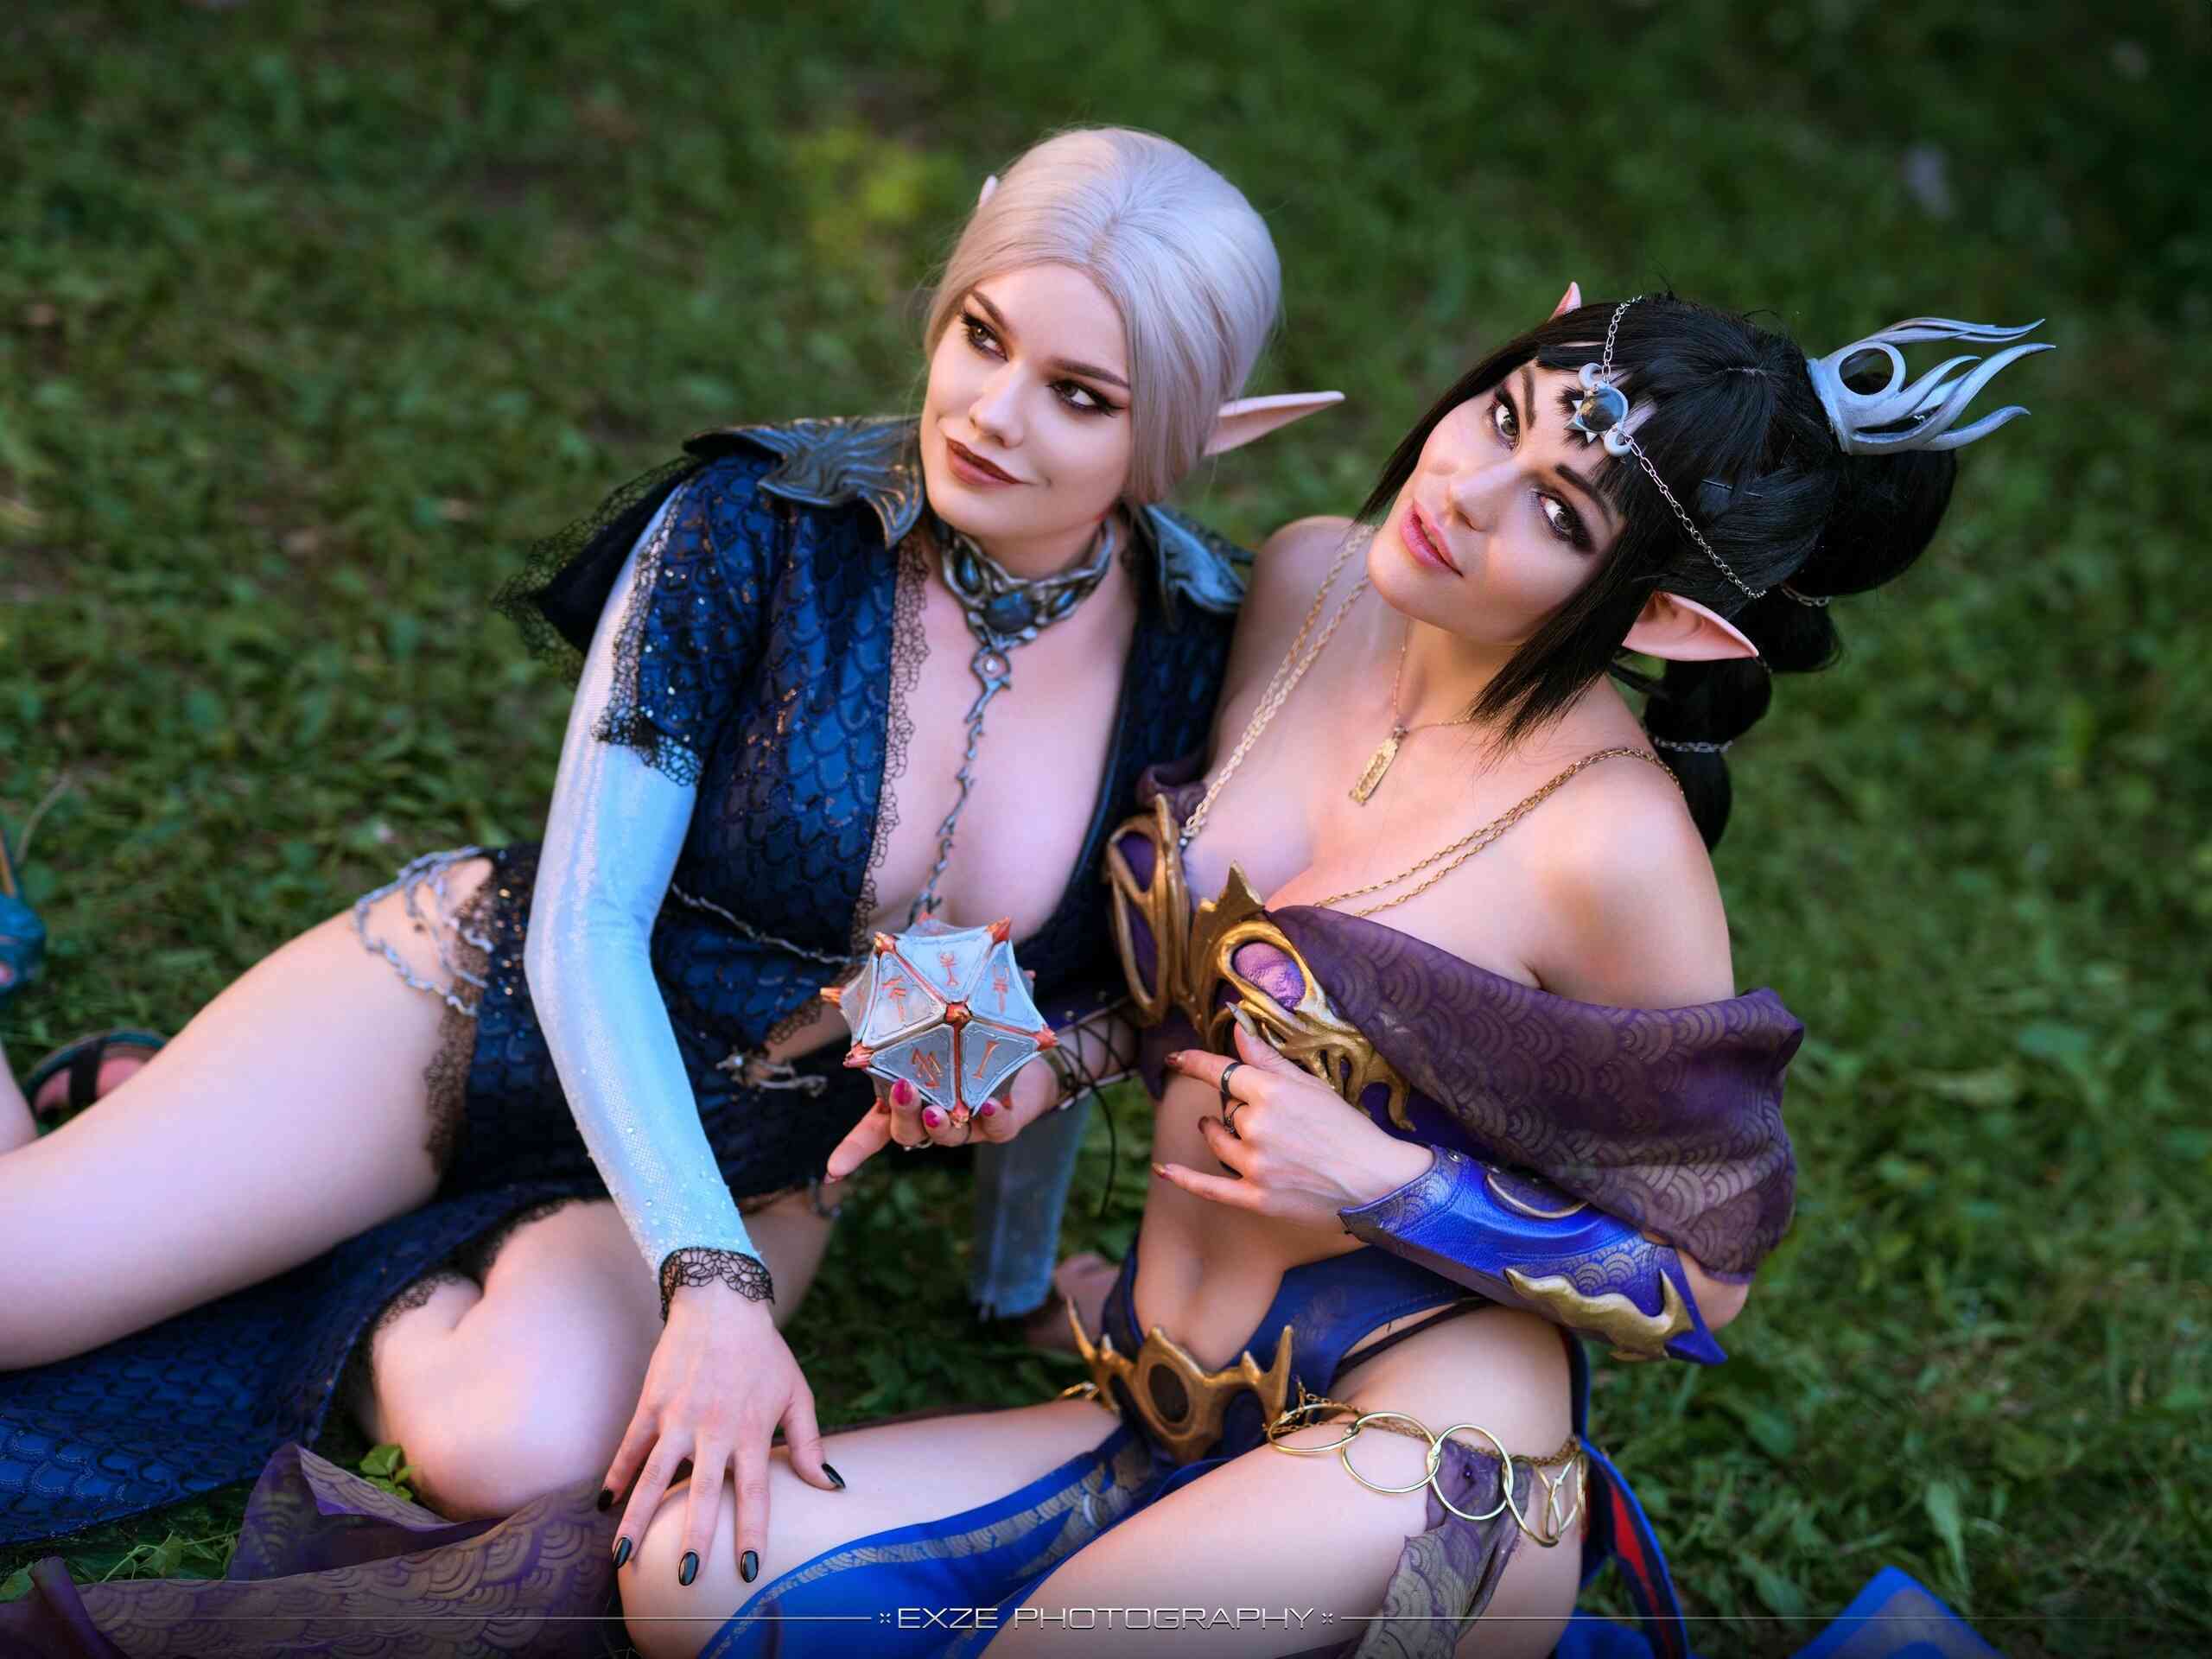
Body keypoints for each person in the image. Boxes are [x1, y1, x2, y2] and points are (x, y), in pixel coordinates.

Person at [607, 291, 2047, 1657]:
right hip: (1168, 1401)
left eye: (1559, 513)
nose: (1465, 492)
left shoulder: (1616, 847)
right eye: (1503, 415)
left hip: (1431, 1447)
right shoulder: (1312, 581)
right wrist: (1043, 1063)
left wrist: (1381, 1180)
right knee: (691, 1576)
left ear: (1660, 619)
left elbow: (1707, 1280)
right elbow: (1207, 986)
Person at [0, 125, 1339, 1554]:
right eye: (981, 334)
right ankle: (284, 1167)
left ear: (1201, 432)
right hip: (487, 1016)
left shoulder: (1193, 655)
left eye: (1078, 395)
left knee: (510, 1451)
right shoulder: (752, 524)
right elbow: (585, 927)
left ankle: (333, 1237)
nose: (992, 414)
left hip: (765, 1143)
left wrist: (1010, 1274)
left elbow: (1069, 990)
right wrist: (714, 1284)